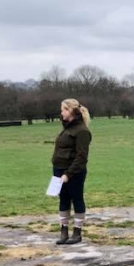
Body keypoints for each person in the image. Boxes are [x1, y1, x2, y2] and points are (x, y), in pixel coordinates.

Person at [52, 99, 92, 245]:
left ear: (70, 111)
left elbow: (82, 157)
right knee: (63, 199)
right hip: (59, 169)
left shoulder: (82, 131)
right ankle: (63, 231)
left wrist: (68, 174)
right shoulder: (66, 128)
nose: (61, 113)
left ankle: (77, 232)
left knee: (77, 198)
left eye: (63, 109)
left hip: (74, 172)